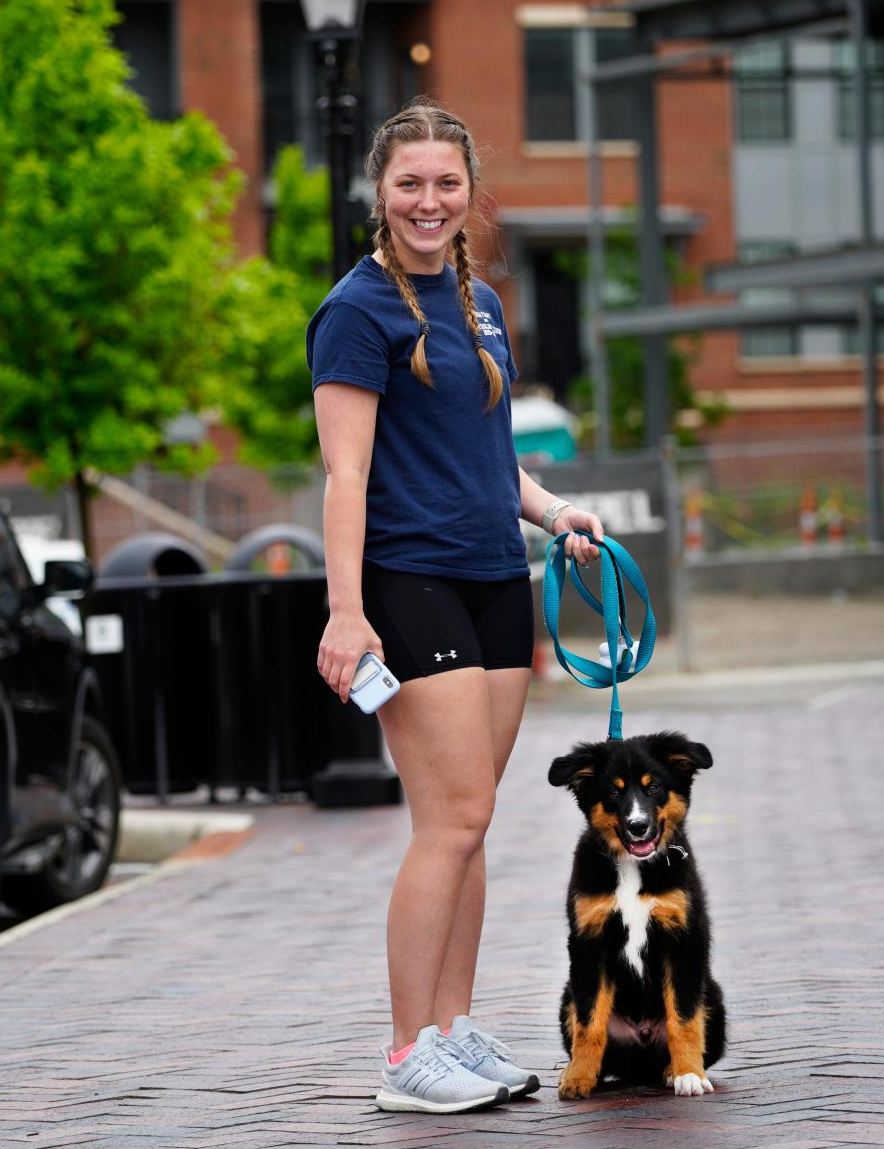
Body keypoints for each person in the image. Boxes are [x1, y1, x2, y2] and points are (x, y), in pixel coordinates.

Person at [306, 100, 606, 1114]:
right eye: (409, 184)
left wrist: (556, 510)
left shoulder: (481, 304)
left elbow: (492, 456)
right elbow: (345, 477)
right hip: (408, 580)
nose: (428, 202)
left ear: (469, 193)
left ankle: (452, 1028)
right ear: (379, 195)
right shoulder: (357, 310)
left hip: (494, 580)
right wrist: (347, 613)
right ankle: (403, 1057)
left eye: (446, 183)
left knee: (470, 826)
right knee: (453, 818)